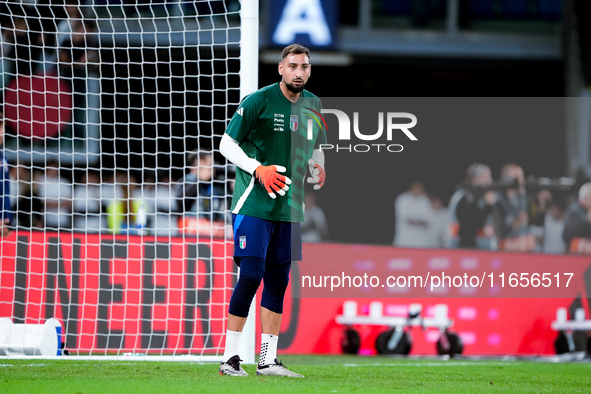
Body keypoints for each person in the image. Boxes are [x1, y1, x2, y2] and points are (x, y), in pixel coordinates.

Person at [217, 44, 326, 377]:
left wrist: (318, 166)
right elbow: (225, 144)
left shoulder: (314, 105)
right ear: (280, 68)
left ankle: (267, 360)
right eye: (292, 65)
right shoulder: (259, 100)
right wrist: (256, 168)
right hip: (254, 204)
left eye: (304, 67)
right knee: (251, 276)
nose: (299, 72)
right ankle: (229, 358)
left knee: (279, 282)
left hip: (290, 209)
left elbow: (316, 147)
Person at [447, 163, 500, 250]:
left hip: (488, 250)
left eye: (488, 177)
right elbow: (469, 225)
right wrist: (488, 206)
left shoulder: (488, 197)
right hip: (463, 248)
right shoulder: (463, 196)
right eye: (483, 177)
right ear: (473, 179)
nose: (488, 181)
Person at [393, 181, 435, 248]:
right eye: (417, 188)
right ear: (411, 188)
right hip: (404, 241)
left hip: (422, 242)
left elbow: (429, 221)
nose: (418, 191)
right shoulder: (402, 199)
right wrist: (420, 222)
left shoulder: (424, 200)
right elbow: (406, 219)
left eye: (420, 189)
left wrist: (417, 221)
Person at [562, 182, 591, 252]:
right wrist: (587, 221)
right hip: (576, 254)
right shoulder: (574, 211)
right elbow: (568, 235)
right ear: (584, 198)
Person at [0, 110, 14, 237]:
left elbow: (5, 191)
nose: (4, 132)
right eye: (2, 128)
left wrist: (8, 217)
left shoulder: (3, 158)